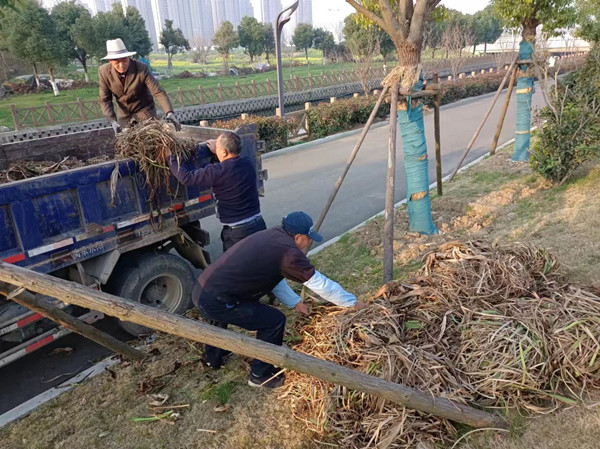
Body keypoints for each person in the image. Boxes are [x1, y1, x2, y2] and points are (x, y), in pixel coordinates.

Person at [193, 211, 367, 388]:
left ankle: (212, 358)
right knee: (273, 321)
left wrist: (295, 302)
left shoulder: (273, 235)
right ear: (298, 237)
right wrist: (352, 303)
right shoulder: (289, 254)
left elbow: (274, 278)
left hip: (204, 287)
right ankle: (260, 375)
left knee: (220, 314)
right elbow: (322, 285)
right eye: (309, 238)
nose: (310, 242)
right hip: (217, 299)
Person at [166, 131, 266, 252]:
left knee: (237, 268)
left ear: (224, 151)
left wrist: (170, 158)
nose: (215, 149)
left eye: (217, 147)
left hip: (238, 233)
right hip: (259, 225)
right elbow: (229, 167)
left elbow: (187, 177)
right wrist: (216, 152)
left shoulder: (217, 171)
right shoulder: (248, 164)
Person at [98, 38, 180, 134]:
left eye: (124, 60)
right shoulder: (104, 72)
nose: (121, 65)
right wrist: (112, 121)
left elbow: (157, 92)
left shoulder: (141, 68)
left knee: (150, 143)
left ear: (128, 57)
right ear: (110, 61)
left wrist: (169, 112)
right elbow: (105, 100)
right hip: (124, 118)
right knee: (127, 145)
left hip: (145, 114)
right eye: (117, 62)